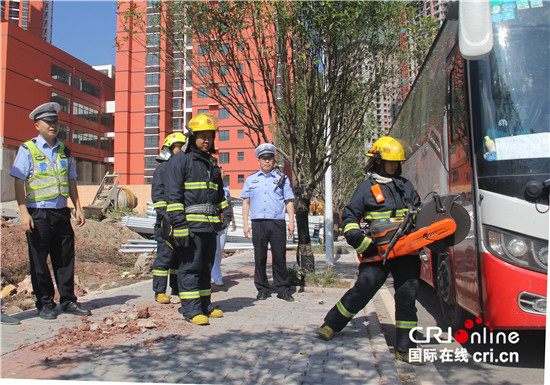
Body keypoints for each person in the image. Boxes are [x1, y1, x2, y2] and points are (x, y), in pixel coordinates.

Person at [315, 136, 423, 365]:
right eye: (390, 163)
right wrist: (364, 244)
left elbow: (420, 213)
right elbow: (350, 219)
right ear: (378, 162)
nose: (394, 167)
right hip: (377, 254)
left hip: (406, 254)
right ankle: (331, 324)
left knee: (407, 299)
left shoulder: (407, 186)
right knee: (362, 291)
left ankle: (405, 348)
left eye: (397, 163)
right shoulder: (365, 188)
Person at [10, 102, 91, 320]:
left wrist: (78, 207)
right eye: (48, 122)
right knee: (39, 260)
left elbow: (71, 179)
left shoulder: (64, 150)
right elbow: (19, 181)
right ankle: (45, 303)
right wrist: (23, 212)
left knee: (65, 258)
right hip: (38, 213)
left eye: (55, 122)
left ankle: (68, 301)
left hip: (61, 212)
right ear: (37, 125)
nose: (53, 126)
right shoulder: (28, 149)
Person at [164, 114, 233, 325]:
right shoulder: (180, 161)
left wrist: (226, 212)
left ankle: (205, 304)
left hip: (209, 227)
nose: (206, 141)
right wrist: (179, 225)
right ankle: (191, 310)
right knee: (190, 267)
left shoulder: (211, 163)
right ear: (192, 137)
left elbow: (218, 194)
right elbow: (173, 197)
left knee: (205, 267)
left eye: (209, 137)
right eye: (202, 137)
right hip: (190, 227)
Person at [241, 143, 295, 302]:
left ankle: (283, 289)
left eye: (270, 158)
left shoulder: (281, 179)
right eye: (264, 159)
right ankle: (262, 289)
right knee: (259, 258)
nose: (267, 161)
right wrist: (245, 224)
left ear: (273, 160)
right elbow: (246, 202)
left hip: (276, 222)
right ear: (259, 161)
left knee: (279, 257)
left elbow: (289, 201)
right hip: (258, 223)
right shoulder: (251, 180)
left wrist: (292, 222)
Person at [151, 132, 186, 304]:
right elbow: (157, 196)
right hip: (166, 222)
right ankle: (159, 291)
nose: (182, 151)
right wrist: (165, 217)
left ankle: (177, 289)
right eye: (179, 148)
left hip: (180, 221)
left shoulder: (182, 168)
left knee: (178, 258)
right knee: (164, 257)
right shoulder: (162, 169)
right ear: (170, 149)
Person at [211, 168, 237, 286]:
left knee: (220, 249)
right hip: (213, 222)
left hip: (224, 222)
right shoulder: (212, 187)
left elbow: (229, 205)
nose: (224, 174)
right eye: (222, 173)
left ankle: (215, 271)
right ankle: (216, 275)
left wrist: (233, 220)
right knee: (213, 249)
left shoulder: (226, 189)